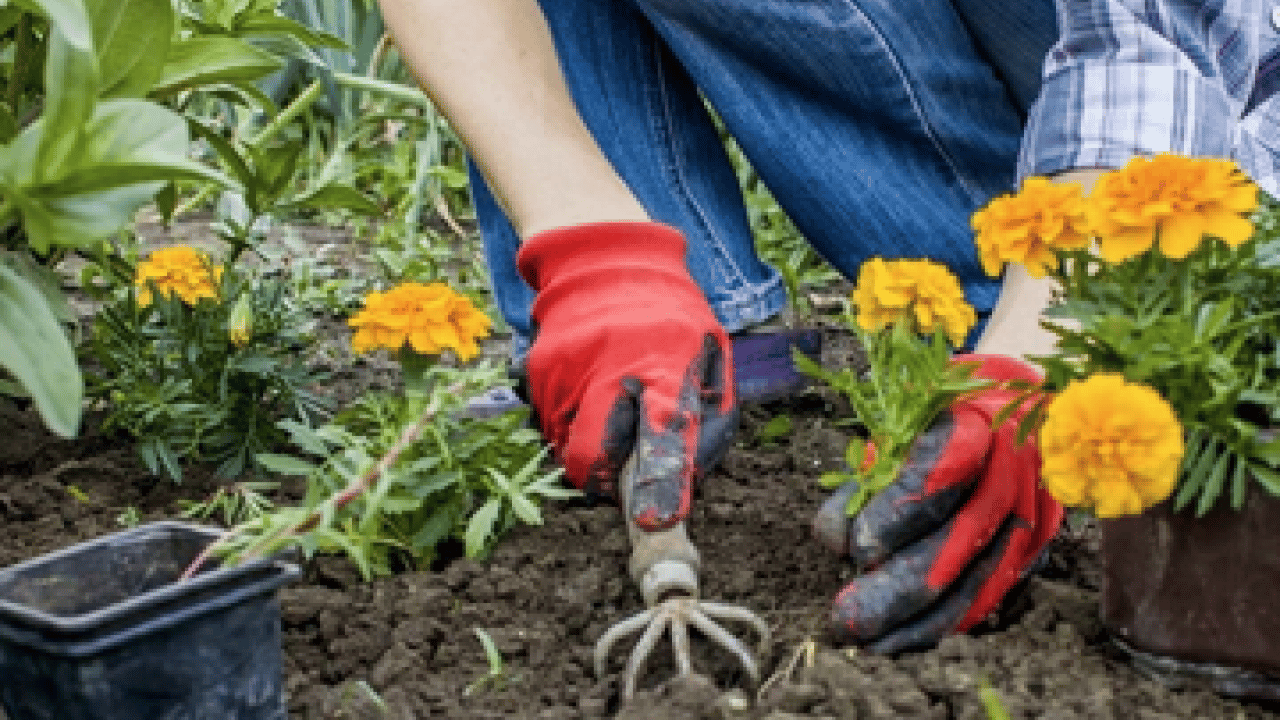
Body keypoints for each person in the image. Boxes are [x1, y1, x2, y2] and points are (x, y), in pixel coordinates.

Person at [373, 0, 1280, 654]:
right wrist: (595, 251)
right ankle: (677, 325)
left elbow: (1150, 49)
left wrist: (1042, 348)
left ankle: (1032, 315)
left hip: (1193, 173)